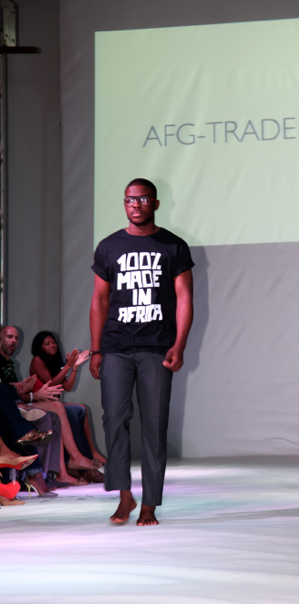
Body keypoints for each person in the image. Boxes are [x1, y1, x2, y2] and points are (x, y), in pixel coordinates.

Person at [90, 178, 194, 526]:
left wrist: (179, 344)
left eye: (143, 199)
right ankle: (124, 496)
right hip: (116, 347)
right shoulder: (109, 246)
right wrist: (96, 349)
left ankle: (150, 503)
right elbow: (99, 300)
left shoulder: (173, 246)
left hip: (157, 348)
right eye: (129, 200)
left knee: (154, 425)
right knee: (114, 421)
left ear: (156, 204)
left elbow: (184, 298)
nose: (135, 205)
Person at [29, 330, 106, 479]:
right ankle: (81, 463)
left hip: (52, 404)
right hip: (38, 404)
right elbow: (51, 384)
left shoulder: (54, 362)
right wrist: (68, 365)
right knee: (71, 412)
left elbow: (67, 387)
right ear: (40, 347)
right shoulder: (37, 360)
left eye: (53, 342)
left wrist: (74, 367)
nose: (52, 345)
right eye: (47, 343)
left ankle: (90, 454)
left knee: (81, 409)